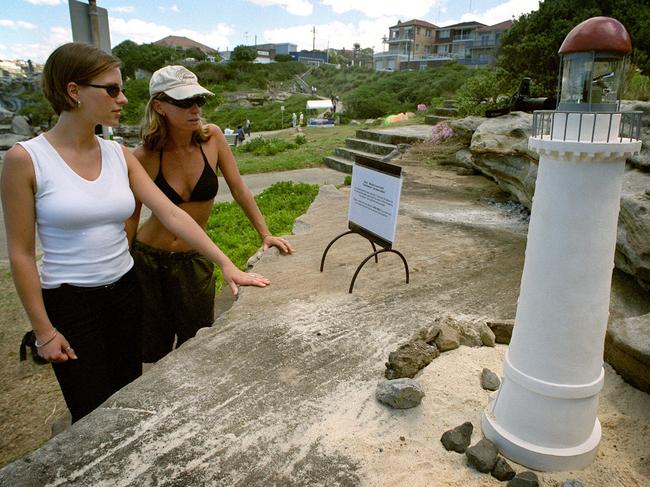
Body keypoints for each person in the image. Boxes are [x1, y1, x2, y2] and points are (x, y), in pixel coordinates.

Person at [0, 43, 270, 423]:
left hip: (125, 291)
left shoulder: (118, 155)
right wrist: (44, 330)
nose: (124, 99)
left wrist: (226, 264)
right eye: (111, 89)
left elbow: (172, 215)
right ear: (73, 91)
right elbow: (22, 254)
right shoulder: (25, 159)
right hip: (70, 302)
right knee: (90, 411)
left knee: (127, 398)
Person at [127, 65, 293, 363]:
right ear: (159, 106)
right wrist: (123, 267)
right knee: (153, 349)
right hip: (149, 261)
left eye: (199, 100)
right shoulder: (144, 155)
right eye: (184, 102)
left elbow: (240, 188)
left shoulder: (212, 138)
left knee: (199, 344)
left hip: (194, 259)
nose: (195, 109)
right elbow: (132, 217)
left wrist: (265, 233)